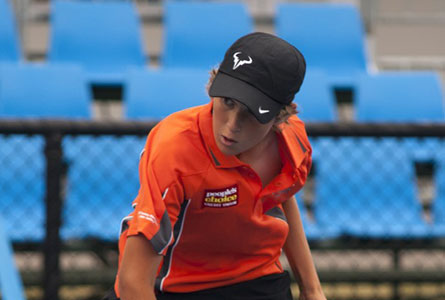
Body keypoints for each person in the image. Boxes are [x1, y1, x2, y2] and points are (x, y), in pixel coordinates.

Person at [104, 32, 326, 300]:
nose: (231, 126)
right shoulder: (174, 149)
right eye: (227, 102)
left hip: (259, 280)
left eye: (253, 114)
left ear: (282, 116)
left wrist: (312, 289)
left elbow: (281, 196)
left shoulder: (292, 141)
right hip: (175, 290)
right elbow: (133, 284)